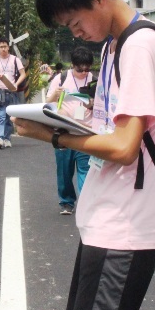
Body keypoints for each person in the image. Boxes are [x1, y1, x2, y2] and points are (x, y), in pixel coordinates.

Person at [14, 0, 155, 310]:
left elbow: (123, 147)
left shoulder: (137, 48)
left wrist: (53, 136)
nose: (75, 33)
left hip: (126, 224)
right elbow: (113, 127)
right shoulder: (116, 45)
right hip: (111, 218)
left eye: (74, 22)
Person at [45, 46, 94, 215]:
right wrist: (56, 95)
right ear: (73, 65)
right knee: (64, 170)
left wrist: (93, 103)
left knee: (86, 170)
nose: (83, 72)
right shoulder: (61, 78)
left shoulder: (94, 79)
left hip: (85, 131)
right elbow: (47, 102)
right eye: (80, 68)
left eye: (87, 68)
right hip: (63, 131)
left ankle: (86, 202)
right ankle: (66, 202)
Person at [0, 38, 26, 149]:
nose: (3, 49)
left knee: (9, 116)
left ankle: (7, 138)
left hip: (11, 90)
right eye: (1, 47)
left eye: (5, 46)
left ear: (8, 47)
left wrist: (16, 84)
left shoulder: (15, 59)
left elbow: (22, 74)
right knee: (0, 114)